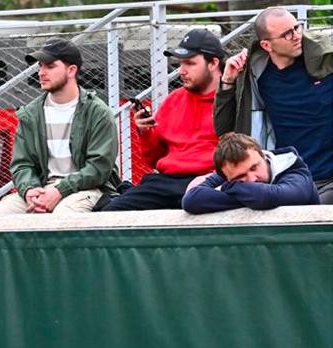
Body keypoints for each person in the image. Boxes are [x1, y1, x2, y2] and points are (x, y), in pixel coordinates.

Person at [213, 7, 333, 203]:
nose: (296, 36)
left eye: (297, 27)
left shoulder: (326, 64)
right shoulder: (255, 75)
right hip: (288, 176)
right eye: (287, 34)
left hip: (329, 178)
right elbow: (224, 130)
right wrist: (228, 82)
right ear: (267, 45)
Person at [0, 39, 119, 215]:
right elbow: (22, 165)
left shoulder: (97, 112)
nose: (41, 72)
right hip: (41, 188)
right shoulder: (31, 114)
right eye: (40, 66)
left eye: (49, 66)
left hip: (88, 189)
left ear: (71, 70)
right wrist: (30, 190)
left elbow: (98, 168)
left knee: (63, 218)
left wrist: (59, 191)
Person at [102, 29, 223, 211]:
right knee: (111, 212)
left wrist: (216, 177)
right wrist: (145, 133)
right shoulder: (174, 99)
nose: (181, 71)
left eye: (190, 63)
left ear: (214, 63)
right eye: (180, 63)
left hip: (210, 179)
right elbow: (153, 159)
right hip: (166, 181)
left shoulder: (232, 100)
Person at [182, 132, 319, 214]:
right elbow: (191, 200)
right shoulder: (229, 171)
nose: (252, 179)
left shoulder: (292, 167)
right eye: (241, 177)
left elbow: (271, 196)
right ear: (227, 177)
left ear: (263, 156)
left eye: (254, 168)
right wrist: (250, 198)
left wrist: (231, 188)